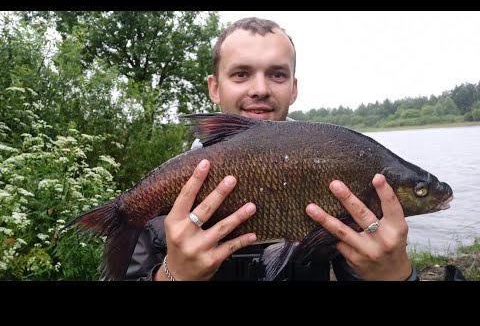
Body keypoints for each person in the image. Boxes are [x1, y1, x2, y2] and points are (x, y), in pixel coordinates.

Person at [122, 17, 417, 281]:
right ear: (214, 87)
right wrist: (172, 277)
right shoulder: (164, 190)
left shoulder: (337, 172)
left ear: (293, 88)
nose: (260, 89)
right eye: (240, 74)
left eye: (277, 74)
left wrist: (397, 276)